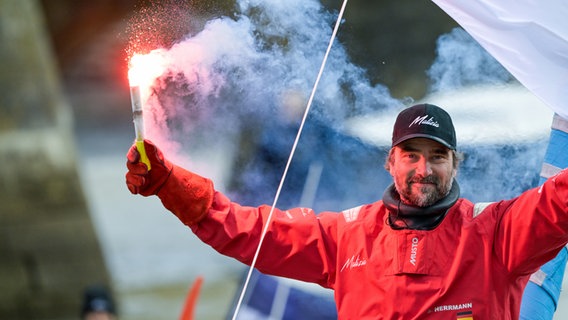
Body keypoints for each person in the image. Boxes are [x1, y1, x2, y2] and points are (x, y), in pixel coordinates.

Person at [125, 103, 568, 319]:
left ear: (456, 163)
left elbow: (559, 203)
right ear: (390, 161)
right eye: (410, 155)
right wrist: (168, 184)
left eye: (437, 156)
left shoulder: (497, 232)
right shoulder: (346, 236)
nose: (423, 168)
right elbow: (248, 231)